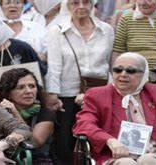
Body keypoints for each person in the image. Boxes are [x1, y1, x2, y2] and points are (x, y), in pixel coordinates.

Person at [73, 52, 156, 165]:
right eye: (118, 70)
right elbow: (84, 124)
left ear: (144, 74)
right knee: (126, 163)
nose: (123, 74)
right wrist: (110, 140)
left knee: (149, 160)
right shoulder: (97, 95)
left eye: (130, 71)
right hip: (116, 157)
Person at [44, 0, 114, 164]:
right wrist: (53, 95)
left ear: (92, 4)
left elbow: (110, 64)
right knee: (67, 141)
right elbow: (54, 65)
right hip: (68, 93)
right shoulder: (57, 31)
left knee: (99, 137)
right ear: (67, 6)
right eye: (75, 2)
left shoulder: (106, 30)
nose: (81, 6)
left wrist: (112, 91)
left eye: (86, 2)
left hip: (100, 93)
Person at [0, 68, 56, 165]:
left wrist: (15, 113)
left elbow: (34, 142)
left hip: (37, 161)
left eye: (32, 86)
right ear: (8, 93)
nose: (28, 91)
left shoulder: (46, 113)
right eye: (21, 87)